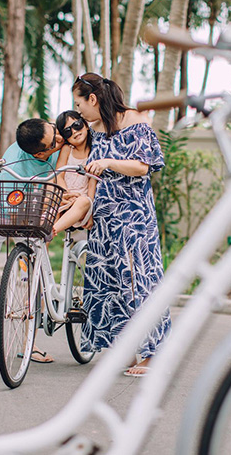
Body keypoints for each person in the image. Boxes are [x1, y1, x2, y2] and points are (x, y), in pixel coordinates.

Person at [72, 73, 171, 378]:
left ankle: (154, 353)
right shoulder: (96, 130)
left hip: (133, 218)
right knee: (109, 283)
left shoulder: (135, 121)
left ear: (93, 99)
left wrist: (109, 163)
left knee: (139, 280)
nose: (78, 112)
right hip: (104, 219)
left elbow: (142, 167)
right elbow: (91, 175)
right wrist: (86, 211)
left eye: (79, 103)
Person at [0, 118, 64, 363]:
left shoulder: (58, 140)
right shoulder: (15, 160)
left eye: (55, 130)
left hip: (28, 211)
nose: (60, 138)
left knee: (35, 270)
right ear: (41, 153)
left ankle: (29, 342)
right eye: (54, 141)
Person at [52, 111, 96, 236]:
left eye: (77, 125)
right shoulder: (67, 150)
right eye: (68, 131)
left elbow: (93, 181)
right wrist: (67, 194)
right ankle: (40, 250)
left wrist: (91, 210)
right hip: (66, 198)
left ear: (86, 125)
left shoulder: (95, 150)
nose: (74, 132)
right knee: (51, 202)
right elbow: (59, 175)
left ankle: (53, 230)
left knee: (83, 202)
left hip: (83, 202)